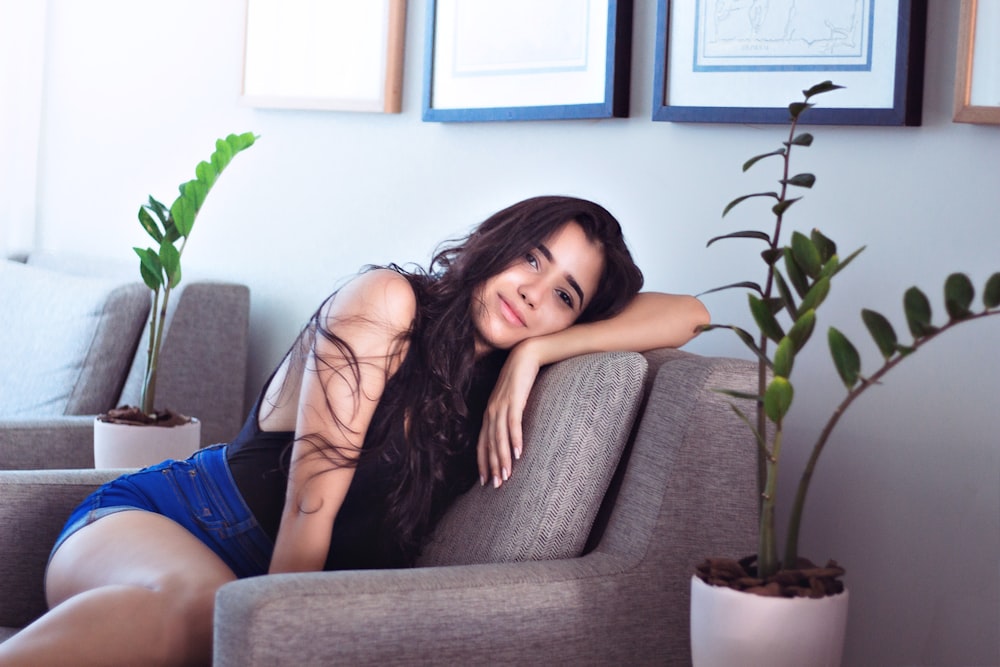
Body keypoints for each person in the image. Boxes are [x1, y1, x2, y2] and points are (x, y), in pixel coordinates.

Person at [0, 195, 709, 666]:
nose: (533, 290)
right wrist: (276, 631)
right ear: (497, 244)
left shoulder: (511, 368)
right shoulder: (388, 302)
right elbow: (313, 506)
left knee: (213, 607)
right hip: (166, 523)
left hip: (246, 580)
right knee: (199, 607)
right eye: (532, 257)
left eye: (564, 294)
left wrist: (536, 352)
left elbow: (690, 313)